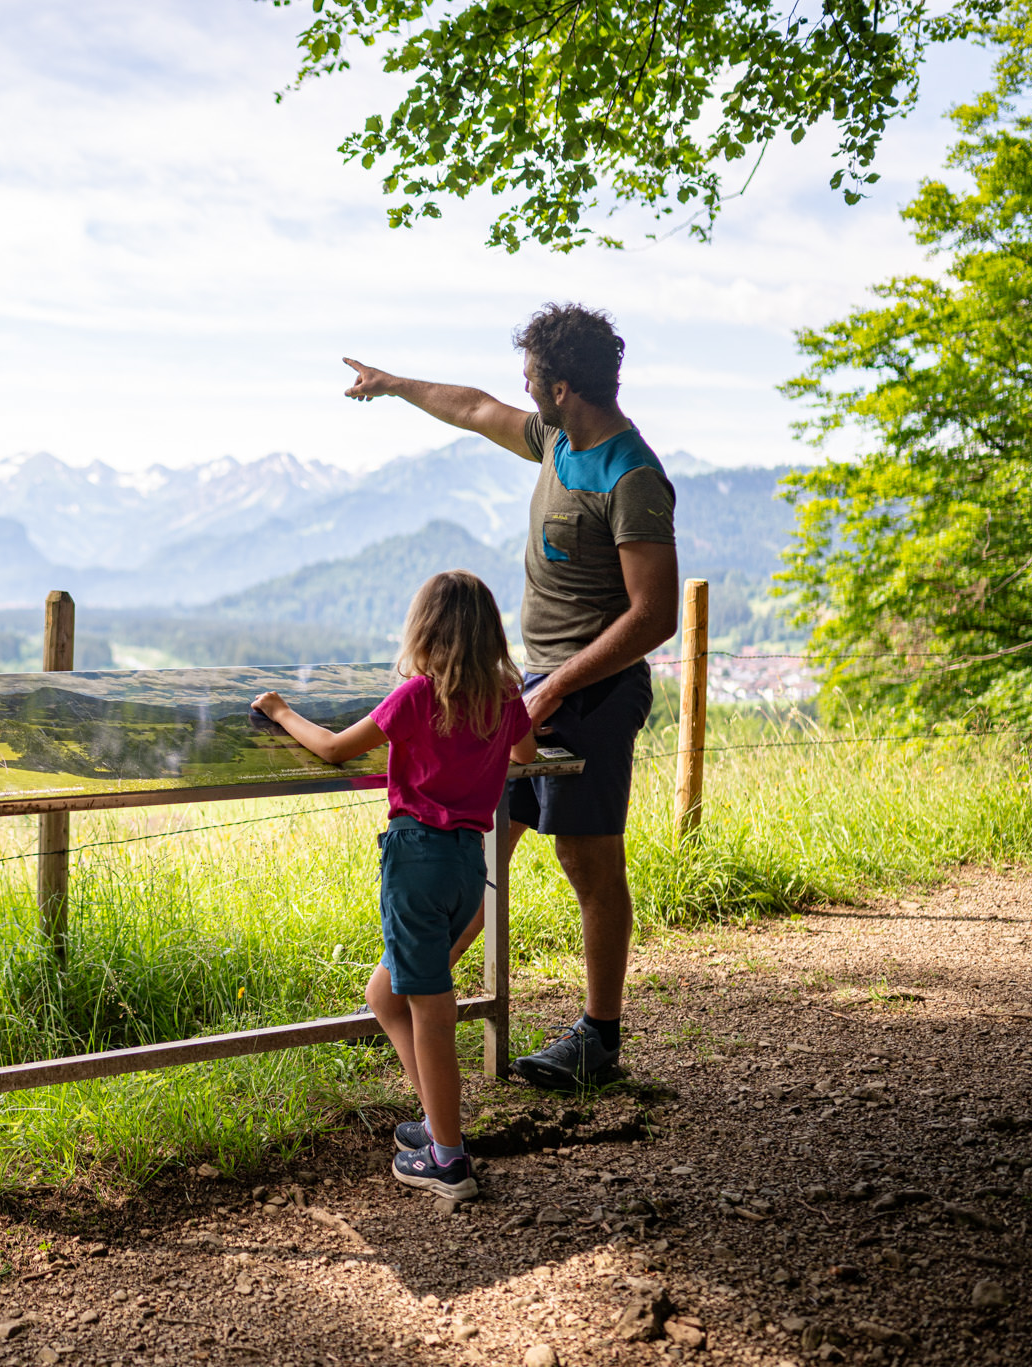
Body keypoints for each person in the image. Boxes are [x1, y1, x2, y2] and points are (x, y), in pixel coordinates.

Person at [340, 303, 680, 1089]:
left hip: (593, 695)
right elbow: (473, 408)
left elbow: (654, 613)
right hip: (533, 690)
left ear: (564, 386)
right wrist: (394, 385)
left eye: (531, 380)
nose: (521, 391)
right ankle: (405, 991)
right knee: (485, 843)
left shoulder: (632, 478)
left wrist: (556, 684)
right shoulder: (555, 437)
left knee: (586, 858)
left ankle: (600, 1036)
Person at [252, 570, 534, 1199]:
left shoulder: (415, 699)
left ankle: (450, 1160)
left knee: (431, 1013)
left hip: (415, 862)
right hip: (469, 866)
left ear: (425, 633)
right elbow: (526, 756)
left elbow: (332, 749)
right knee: (386, 996)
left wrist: (279, 709)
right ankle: (440, 1126)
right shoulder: (504, 702)